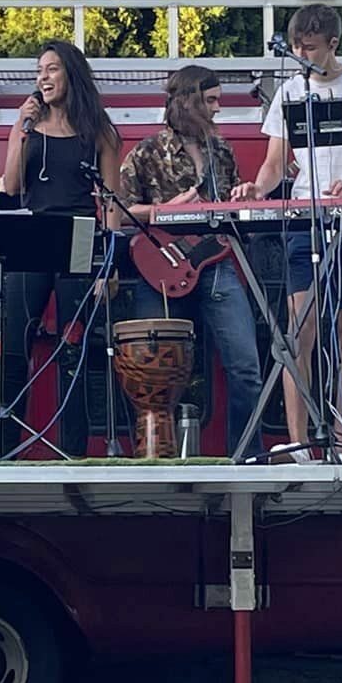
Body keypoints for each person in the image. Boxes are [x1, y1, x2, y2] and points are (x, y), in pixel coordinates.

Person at [232, 3, 342, 459]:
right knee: (297, 331)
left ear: (333, 45)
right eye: (298, 48)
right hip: (304, 220)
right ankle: (301, 440)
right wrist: (256, 190)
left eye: (312, 48)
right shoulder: (289, 92)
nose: (304, 56)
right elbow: (272, 164)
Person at [118, 65, 263, 453]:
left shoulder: (222, 150)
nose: (218, 109)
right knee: (152, 370)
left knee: (246, 368)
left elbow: (230, 207)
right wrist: (164, 209)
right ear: (188, 101)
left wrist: (246, 198)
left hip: (217, 264)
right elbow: (116, 212)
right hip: (161, 268)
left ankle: (247, 459)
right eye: (211, 100)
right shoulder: (146, 151)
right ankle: (154, 457)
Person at [0, 40, 122, 458]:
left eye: (51, 69)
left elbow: (110, 200)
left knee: (75, 347)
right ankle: (6, 449)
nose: (42, 78)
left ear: (72, 73)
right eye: (39, 71)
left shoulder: (99, 129)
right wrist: (20, 130)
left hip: (80, 234)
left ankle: (73, 450)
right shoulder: (27, 127)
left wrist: (110, 263)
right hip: (30, 234)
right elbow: (12, 186)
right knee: (15, 343)